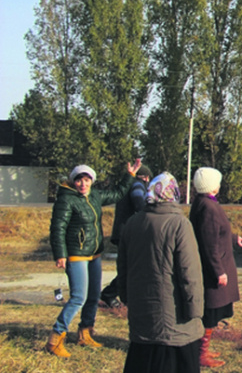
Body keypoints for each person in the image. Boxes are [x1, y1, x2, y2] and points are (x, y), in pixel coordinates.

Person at [46, 159, 143, 357]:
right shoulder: (66, 199)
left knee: (92, 296)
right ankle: (55, 338)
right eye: (80, 180)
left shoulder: (95, 196)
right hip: (76, 255)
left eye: (87, 180)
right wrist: (60, 254)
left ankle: (85, 332)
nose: (83, 184)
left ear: (92, 181)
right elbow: (58, 228)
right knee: (78, 297)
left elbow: (118, 193)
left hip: (94, 253)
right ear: (74, 181)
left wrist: (130, 175)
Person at [119, 172, 204, 373]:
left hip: (142, 315)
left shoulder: (132, 223)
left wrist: (125, 297)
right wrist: (196, 310)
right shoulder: (179, 224)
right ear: (174, 193)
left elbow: (122, 267)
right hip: (175, 319)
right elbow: (189, 272)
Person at [189, 167, 242, 368]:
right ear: (211, 185)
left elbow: (215, 233)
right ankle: (200, 354)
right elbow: (208, 243)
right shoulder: (208, 207)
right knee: (210, 313)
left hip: (215, 266)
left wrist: (233, 238)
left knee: (211, 313)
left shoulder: (204, 203)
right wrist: (219, 271)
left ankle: (202, 349)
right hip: (214, 270)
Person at [99, 164, 153, 308]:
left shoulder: (131, 184)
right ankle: (110, 294)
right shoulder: (137, 185)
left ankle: (116, 294)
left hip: (122, 230)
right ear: (146, 177)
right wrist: (148, 211)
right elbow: (138, 201)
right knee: (131, 267)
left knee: (129, 267)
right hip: (129, 233)